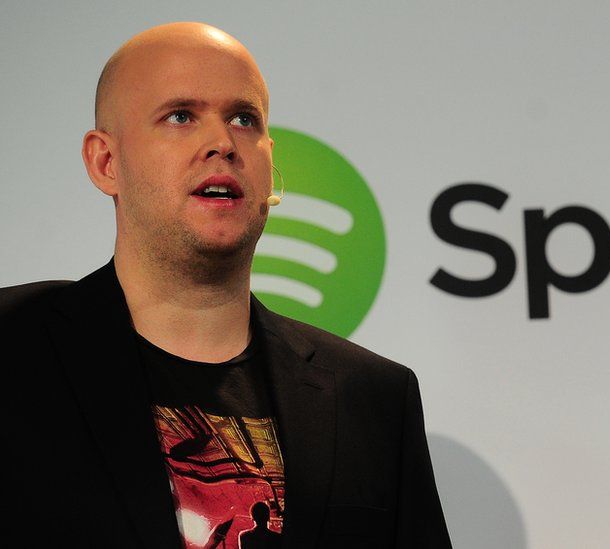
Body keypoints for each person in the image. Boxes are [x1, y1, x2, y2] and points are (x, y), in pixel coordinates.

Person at [0, 22, 452, 548]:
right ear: (106, 162)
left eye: (243, 119)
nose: (221, 143)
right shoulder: (14, 349)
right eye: (180, 116)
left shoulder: (373, 399)